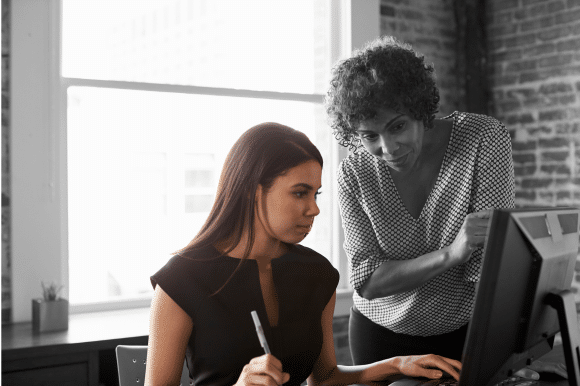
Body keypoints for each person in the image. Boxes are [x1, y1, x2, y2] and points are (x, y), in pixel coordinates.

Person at [145, 122, 462, 386]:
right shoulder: (180, 281)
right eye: (299, 193)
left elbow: (324, 377)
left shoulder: (317, 273)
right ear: (253, 190)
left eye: (315, 194)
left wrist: (397, 364)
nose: (314, 209)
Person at [324, 35, 517, 364]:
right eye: (370, 135)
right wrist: (452, 254)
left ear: (421, 110)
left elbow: (487, 266)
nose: (388, 148)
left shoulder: (482, 138)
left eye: (397, 126)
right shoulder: (353, 174)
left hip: (464, 332)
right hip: (379, 338)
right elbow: (367, 281)